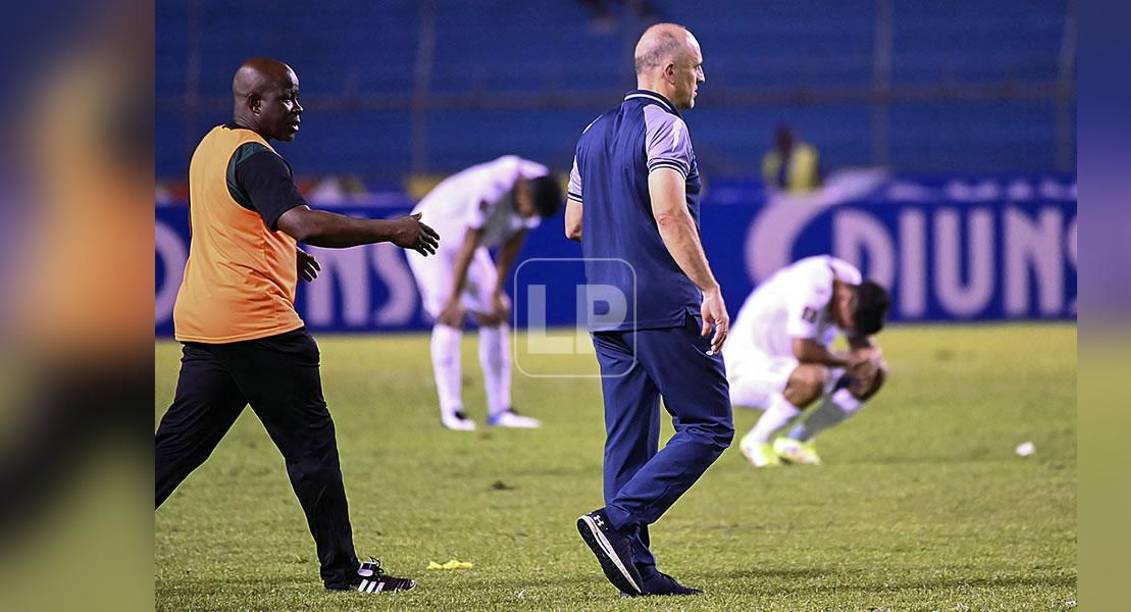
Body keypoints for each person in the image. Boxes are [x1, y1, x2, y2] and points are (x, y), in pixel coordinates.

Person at [154, 58, 439, 593]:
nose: (298, 108)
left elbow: (236, 222)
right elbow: (300, 221)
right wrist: (391, 229)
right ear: (255, 104)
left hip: (206, 323)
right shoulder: (261, 160)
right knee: (311, 450)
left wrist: (284, 253)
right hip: (258, 328)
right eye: (287, 98)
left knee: (176, 449)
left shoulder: (211, 145)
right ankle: (344, 573)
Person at [566, 23, 732, 597]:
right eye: (696, 65)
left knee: (628, 438)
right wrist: (708, 287)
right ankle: (615, 522)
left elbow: (574, 224)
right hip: (659, 300)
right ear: (668, 72)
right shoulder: (667, 128)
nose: (702, 77)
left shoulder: (591, 134)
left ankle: (633, 564)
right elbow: (668, 212)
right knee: (709, 424)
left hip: (605, 303)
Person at [407, 156, 562, 431]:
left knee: (495, 311)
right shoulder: (495, 185)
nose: (529, 215)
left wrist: (496, 288)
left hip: (469, 243)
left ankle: (500, 410)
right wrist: (454, 297)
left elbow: (516, 235)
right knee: (449, 314)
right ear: (523, 192)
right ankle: (452, 411)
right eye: (529, 209)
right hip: (431, 233)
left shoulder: (539, 184)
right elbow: (471, 239)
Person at [725, 256, 890, 467]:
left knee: (874, 374)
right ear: (846, 300)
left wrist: (870, 357)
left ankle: (796, 441)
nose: (847, 329)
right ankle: (757, 441)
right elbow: (803, 350)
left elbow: (861, 345)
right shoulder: (812, 286)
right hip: (745, 368)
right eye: (850, 323)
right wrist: (849, 359)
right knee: (812, 377)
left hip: (788, 368)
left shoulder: (849, 283)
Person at [761, 123, 821, 193]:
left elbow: (818, 177)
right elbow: (768, 183)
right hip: (782, 198)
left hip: (807, 196)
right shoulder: (771, 159)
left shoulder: (807, 155)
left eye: (787, 140)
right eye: (783, 141)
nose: (786, 144)